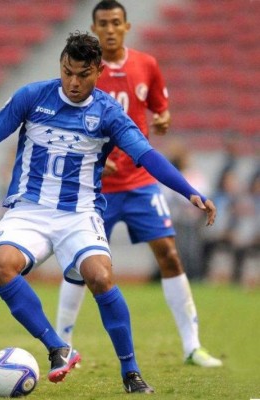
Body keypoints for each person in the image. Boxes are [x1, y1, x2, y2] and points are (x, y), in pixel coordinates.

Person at [0, 31, 216, 394]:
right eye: (67, 72)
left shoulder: (108, 113)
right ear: (61, 64)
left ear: (98, 71)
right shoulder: (32, 96)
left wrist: (190, 192)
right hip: (29, 210)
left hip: (79, 214)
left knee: (100, 276)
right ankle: (57, 347)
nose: (73, 82)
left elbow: (147, 156)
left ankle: (131, 372)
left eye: (82, 74)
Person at [54, 0, 223, 369]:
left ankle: (192, 345)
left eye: (116, 22)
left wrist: (162, 119)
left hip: (141, 182)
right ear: (94, 29)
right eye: (104, 23)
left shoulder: (147, 65)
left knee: (169, 253)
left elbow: (160, 109)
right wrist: (95, 158)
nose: (111, 29)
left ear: (126, 27)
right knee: (80, 267)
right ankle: (62, 346)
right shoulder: (84, 74)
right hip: (95, 188)